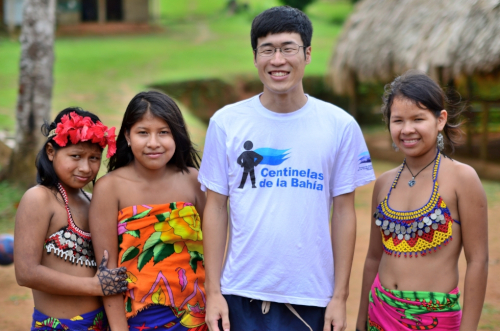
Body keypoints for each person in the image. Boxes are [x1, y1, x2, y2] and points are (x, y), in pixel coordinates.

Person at [199, 6, 375, 331]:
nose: (277, 60)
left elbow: (345, 213)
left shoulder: (339, 125)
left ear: (307, 54)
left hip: (312, 296)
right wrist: (213, 292)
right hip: (240, 293)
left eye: (288, 48)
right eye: (267, 49)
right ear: (255, 57)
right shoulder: (226, 123)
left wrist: (339, 296)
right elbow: (215, 208)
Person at [355, 71, 488, 331]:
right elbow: (373, 257)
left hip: (434, 320)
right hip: (379, 313)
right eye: (398, 120)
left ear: (440, 120)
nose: (407, 130)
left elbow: (478, 261)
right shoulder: (383, 183)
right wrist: (361, 322)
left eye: (418, 119)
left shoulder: (463, 179)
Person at [89, 91, 208, 331]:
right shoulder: (109, 188)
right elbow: (107, 270)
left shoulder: (196, 181)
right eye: (143, 132)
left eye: (163, 132)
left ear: (177, 135)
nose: (153, 142)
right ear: (127, 136)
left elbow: (217, 251)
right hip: (138, 321)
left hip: (199, 316)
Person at [14, 108, 128, 331]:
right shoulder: (39, 199)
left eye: (94, 158)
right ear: (50, 151)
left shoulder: (94, 201)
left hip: (103, 323)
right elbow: (26, 273)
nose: (86, 168)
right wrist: (94, 286)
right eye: (75, 156)